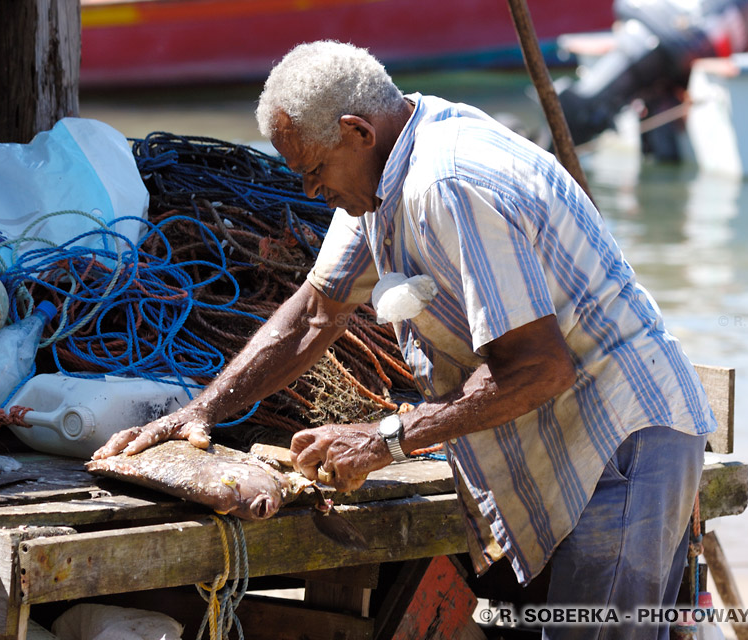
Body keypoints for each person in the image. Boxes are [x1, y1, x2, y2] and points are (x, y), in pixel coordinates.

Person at [94, 41, 716, 639]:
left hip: (622, 444)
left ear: (357, 132)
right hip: (558, 437)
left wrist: (383, 439)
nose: (310, 193)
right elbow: (315, 313)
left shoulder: (444, 183)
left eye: (314, 171)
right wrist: (200, 411)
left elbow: (537, 369)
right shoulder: (381, 174)